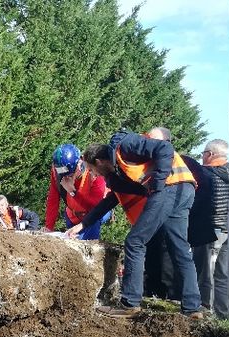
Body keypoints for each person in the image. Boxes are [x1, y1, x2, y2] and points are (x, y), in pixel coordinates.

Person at [66, 130, 202, 319]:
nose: (94, 175)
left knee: (135, 242)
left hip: (169, 188)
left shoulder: (125, 147)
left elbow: (165, 147)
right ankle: (192, 308)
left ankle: (129, 303)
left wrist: (158, 185)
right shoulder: (119, 173)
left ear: (99, 161)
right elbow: (111, 200)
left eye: (92, 170)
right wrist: (83, 225)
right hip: (185, 189)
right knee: (179, 248)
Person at [142, 127, 216, 305]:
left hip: (192, 224)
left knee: (198, 271)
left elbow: (203, 192)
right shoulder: (151, 165)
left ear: (166, 143)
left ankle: (196, 304)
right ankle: (159, 297)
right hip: (165, 224)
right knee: (161, 262)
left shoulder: (186, 163)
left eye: (154, 141)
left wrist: (180, 213)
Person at [43, 143, 108, 239]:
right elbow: (53, 199)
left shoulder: (94, 173)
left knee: (84, 243)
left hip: (95, 213)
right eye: (63, 175)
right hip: (73, 214)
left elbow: (96, 208)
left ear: (79, 164)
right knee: (70, 241)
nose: (66, 178)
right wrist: (49, 227)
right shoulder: (57, 173)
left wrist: (72, 192)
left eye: (70, 175)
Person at [202, 139, 229, 319]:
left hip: (210, 228)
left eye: (203, 153)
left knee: (205, 273)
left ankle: (206, 311)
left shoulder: (206, 173)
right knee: (223, 275)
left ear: (210, 154)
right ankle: (223, 314)